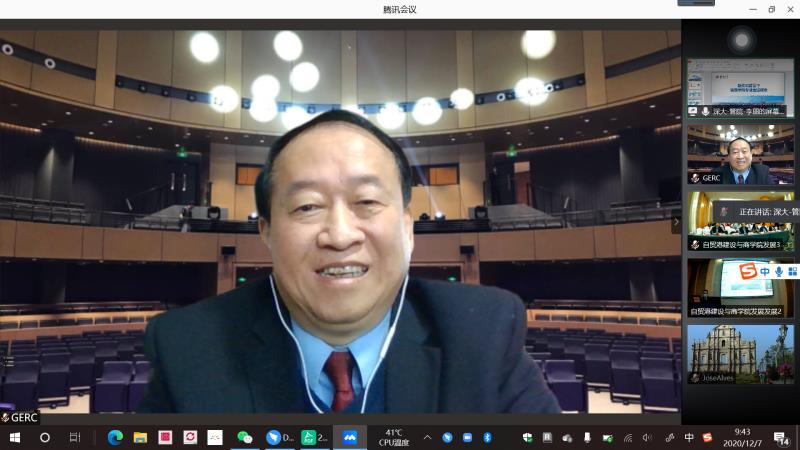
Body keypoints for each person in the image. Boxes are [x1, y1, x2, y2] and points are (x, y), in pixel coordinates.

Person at [137, 110, 560, 413]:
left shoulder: (484, 336)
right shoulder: (187, 349)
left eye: (367, 201)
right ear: (266, 231)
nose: (340, 236)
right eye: (307, 207)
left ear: (408, 229)